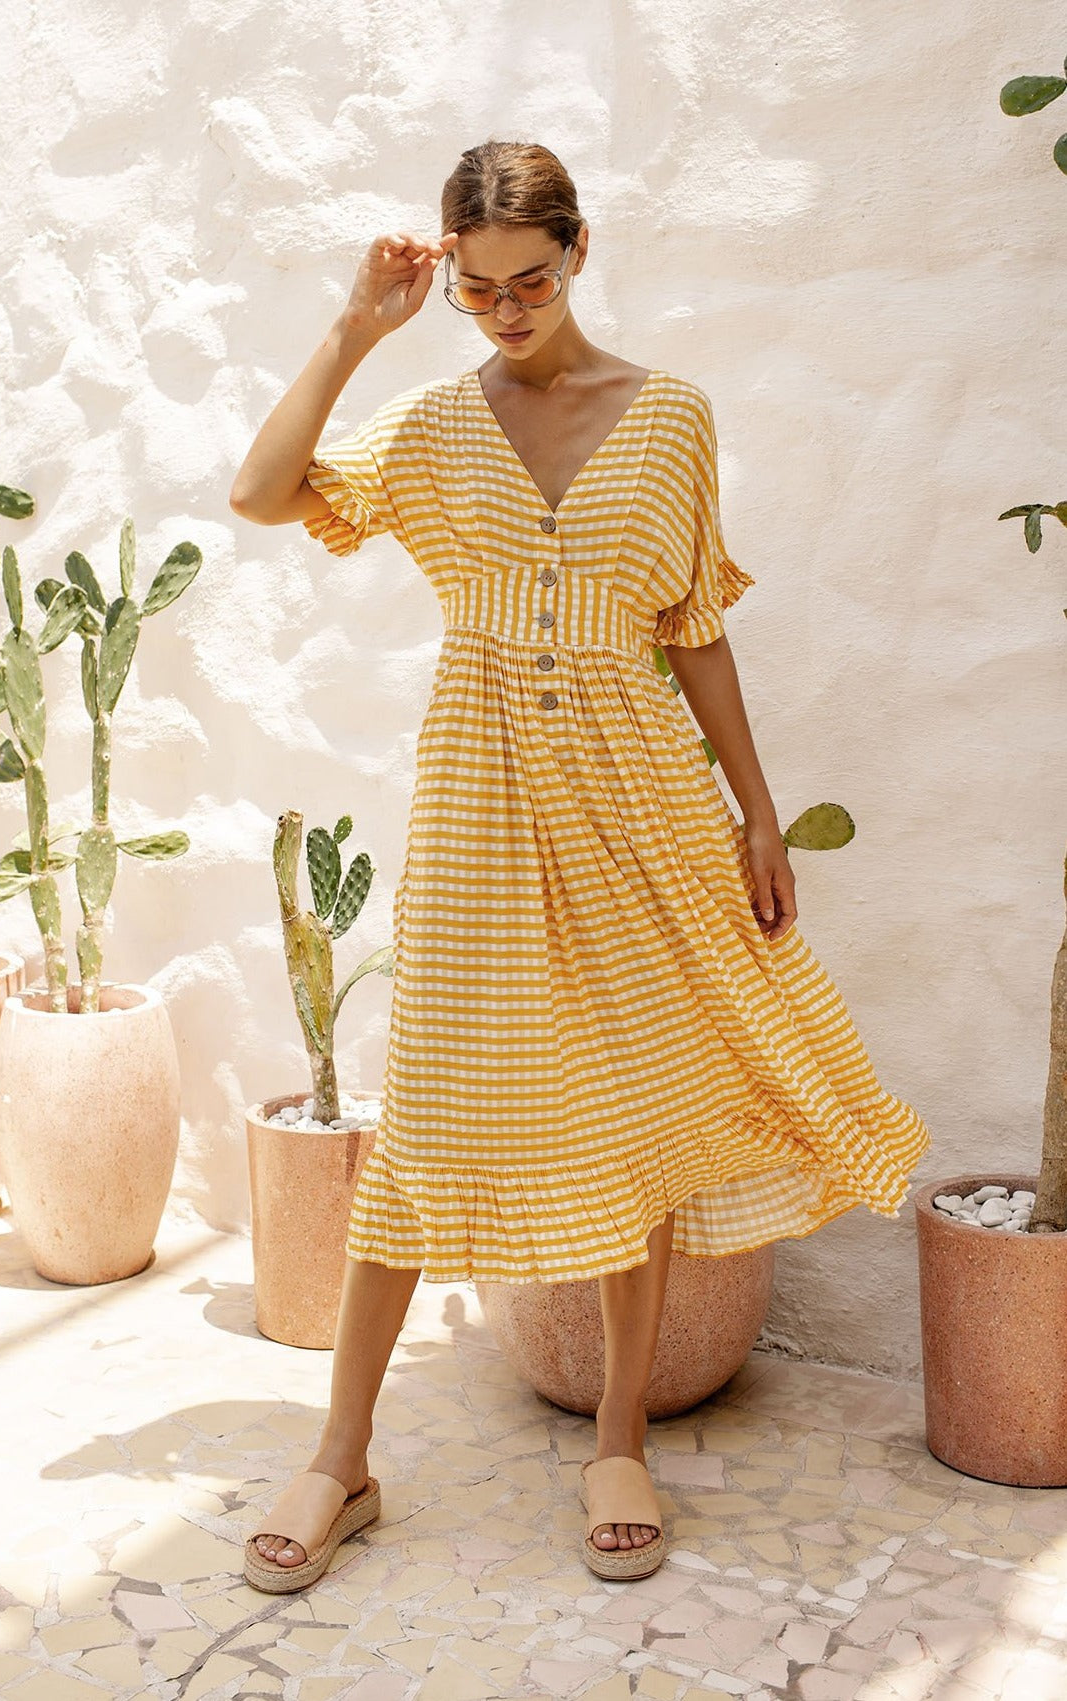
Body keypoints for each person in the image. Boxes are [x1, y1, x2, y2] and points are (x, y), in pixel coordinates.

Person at [229, 140, 932, 1590]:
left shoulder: (667, 417)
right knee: (429, 1115)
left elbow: (694, 626)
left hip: (641, 798)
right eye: (475, 288)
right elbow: (260, 491)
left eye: (528, 279)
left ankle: (618, 1433)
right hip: (482, 799)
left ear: (580, 251)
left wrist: (752, 806)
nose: (503, 309)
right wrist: (357, 327)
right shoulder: (431, 427)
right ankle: (339, 1454)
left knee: (639, 1106)